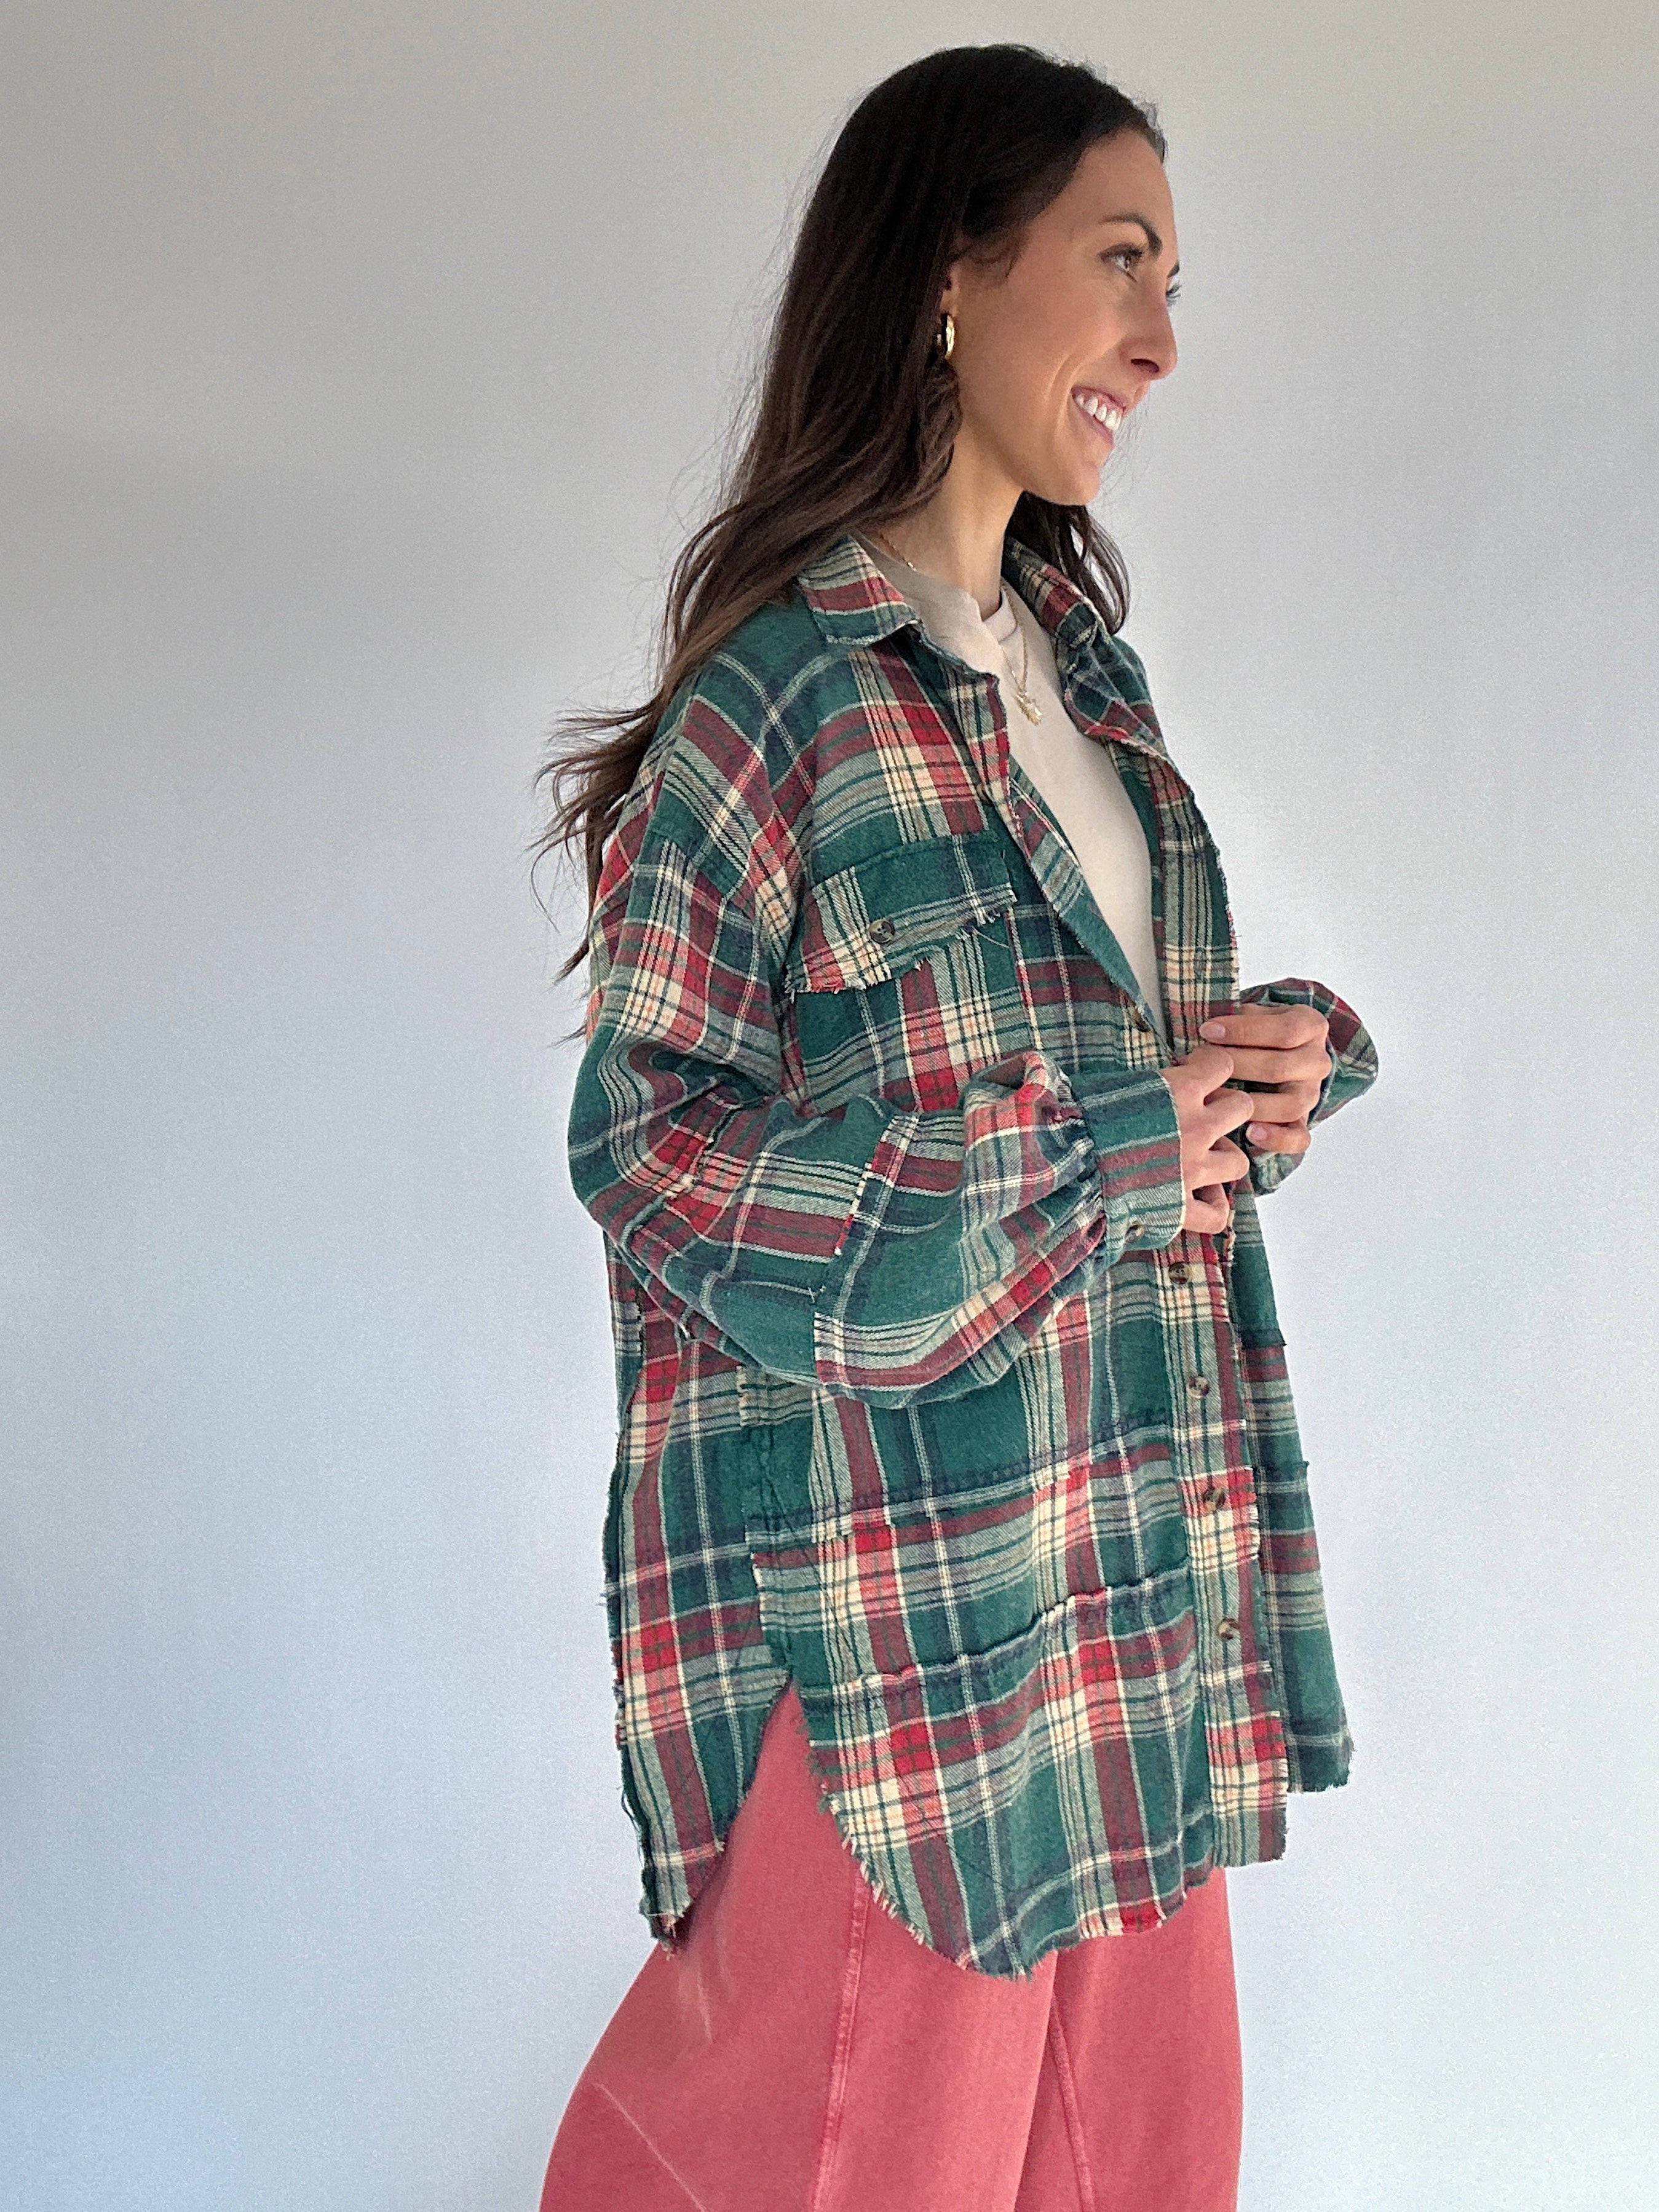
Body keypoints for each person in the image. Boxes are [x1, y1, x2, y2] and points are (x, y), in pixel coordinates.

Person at [532, 41, 1379, 2212]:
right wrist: (1095, 1149)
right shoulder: (775, 701)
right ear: (946, 273)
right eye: (1120, 266)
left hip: (1124, 1584)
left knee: (1139, 2176)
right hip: (910, 1632)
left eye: (1173, 282)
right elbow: (654, 1160)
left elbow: (1094, 1068)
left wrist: (1249, 1069)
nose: (1162, 343)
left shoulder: (1079, 664)